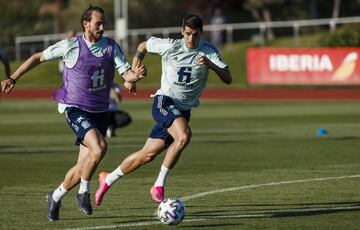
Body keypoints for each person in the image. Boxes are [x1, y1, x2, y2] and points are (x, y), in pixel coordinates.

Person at [1, 5, 145, 221]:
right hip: (75, 108)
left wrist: (136, 76)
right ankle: (83, 192)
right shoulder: (70, 46)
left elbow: (127, 75)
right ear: (85, 24)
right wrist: (13, 77)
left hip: (100, 112)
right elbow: (37, 58)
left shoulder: (111, 47)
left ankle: (56, 196)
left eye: (104, 23)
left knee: (82, 167)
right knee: (100, 147)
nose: (102, 27)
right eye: (98, 23)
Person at [94, 14, 232, 206]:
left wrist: (212, 65)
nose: (191, 39)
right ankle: (158, 186)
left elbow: (228, 77)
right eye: (188, 34)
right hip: (164, 102)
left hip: (183, 112)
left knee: (147, 154)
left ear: (202, 33)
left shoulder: (208, 51)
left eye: (196, 35)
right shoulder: (170, 45)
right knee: (183, 136)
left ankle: (107, 179)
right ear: (182, 31)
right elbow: (142, 46)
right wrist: (133, 75)